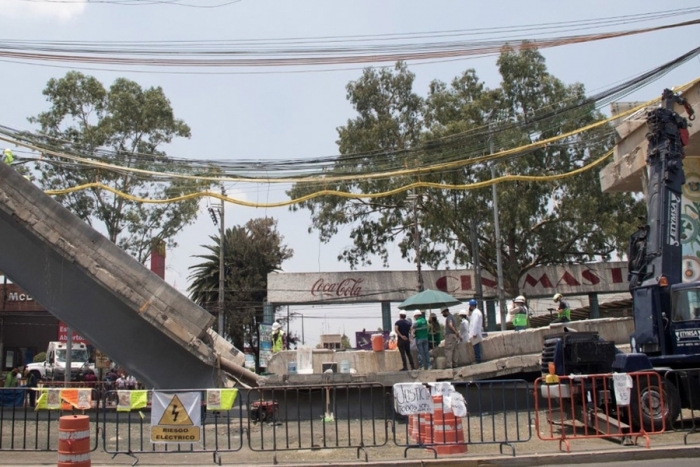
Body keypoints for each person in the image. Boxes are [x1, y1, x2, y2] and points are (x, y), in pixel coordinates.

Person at [468, 299, 484, 364]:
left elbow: (475, 323)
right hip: (476, 331)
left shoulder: (475, 313)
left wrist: (474, 333)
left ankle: (478, 359)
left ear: (471, 306)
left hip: (475, 332)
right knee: (476, 346)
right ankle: (478, 358)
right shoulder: (475, 312)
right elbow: (471, 319)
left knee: (476, 346)